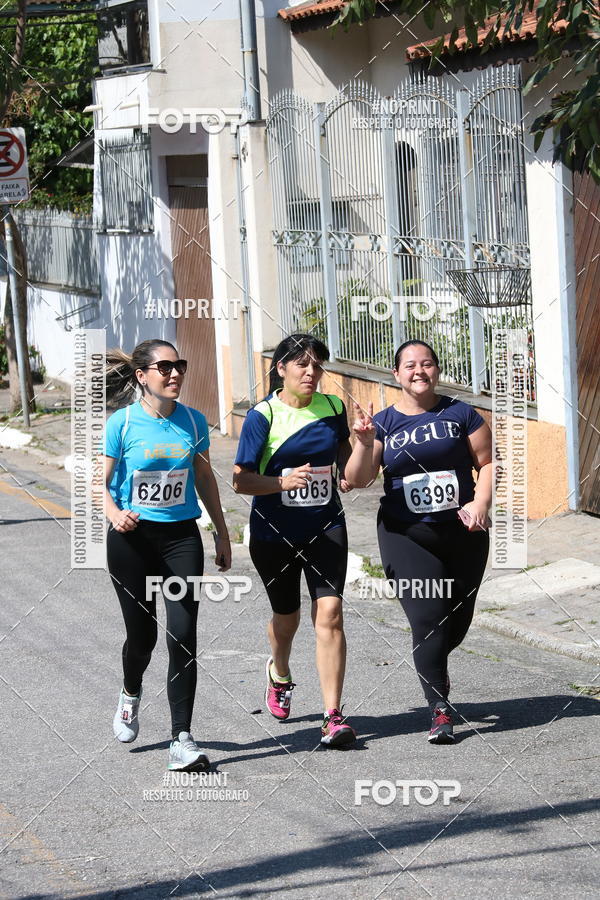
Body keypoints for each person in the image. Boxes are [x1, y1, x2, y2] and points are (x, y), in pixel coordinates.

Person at [344, 340, 492, 743]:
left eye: (426, 364)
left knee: (455, 623)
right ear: (396, 374)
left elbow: (487, 462)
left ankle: (434, 664)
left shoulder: (461, 414)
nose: (419, 371)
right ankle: (439, 710)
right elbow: (358, 479)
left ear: (437, 370)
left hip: (463, 532)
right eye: (409, 365)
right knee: (429, 621)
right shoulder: (384, 423)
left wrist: (480, 502)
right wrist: (363, 442)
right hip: (405, 535)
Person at [103, 339, 231, 770]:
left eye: (179, 365)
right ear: (142, 376)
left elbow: (204, 478)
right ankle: (130, 691)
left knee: (182, 633)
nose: (174, 373)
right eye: (164, 367)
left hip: (181, 539)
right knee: (143, 638)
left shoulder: (193, 420)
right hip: (132, 541)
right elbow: (99, 483)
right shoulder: (122, 423)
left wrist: (222, 533)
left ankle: (181, 738)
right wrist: (115, 514)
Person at [233, 334, 356, 747]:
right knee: (287, 618)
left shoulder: (333, 407)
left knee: (331, 614)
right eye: (302, 364)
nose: (311, 372)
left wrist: (361, 450)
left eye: (317, 365)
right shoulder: (262, 415)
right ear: (281, 368)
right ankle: (280, 671)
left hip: (325, 526)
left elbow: (346, 465)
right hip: (274, 533)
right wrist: (281, 483)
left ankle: (332, 715)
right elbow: (240, 481)